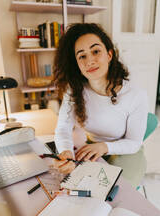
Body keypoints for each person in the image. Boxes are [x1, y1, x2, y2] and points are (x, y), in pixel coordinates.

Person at [52, 23, 148, 188]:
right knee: (77, 189)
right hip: (92, 148)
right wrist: (66, 151)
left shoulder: (136, 95)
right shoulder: (74, 90)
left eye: (96, 51)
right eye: (82, 56)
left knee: (113, 194)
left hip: (126, 151)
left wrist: (104, 147)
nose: (90, 61)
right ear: (77, 63)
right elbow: (62, 128)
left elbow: (134, 143)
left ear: (109, 55)